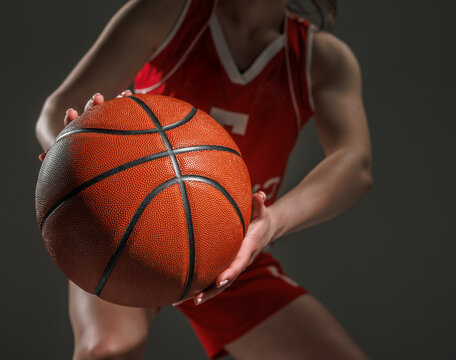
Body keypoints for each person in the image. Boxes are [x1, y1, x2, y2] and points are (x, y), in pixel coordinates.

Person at [35, 0, 373, 359]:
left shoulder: (319, 58)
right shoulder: (169, 13)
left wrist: (271, 222)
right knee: (107, 351)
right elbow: (55, 113)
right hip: (123, 226)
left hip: (233, 247)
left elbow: (354, 163)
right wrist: (79, 148)